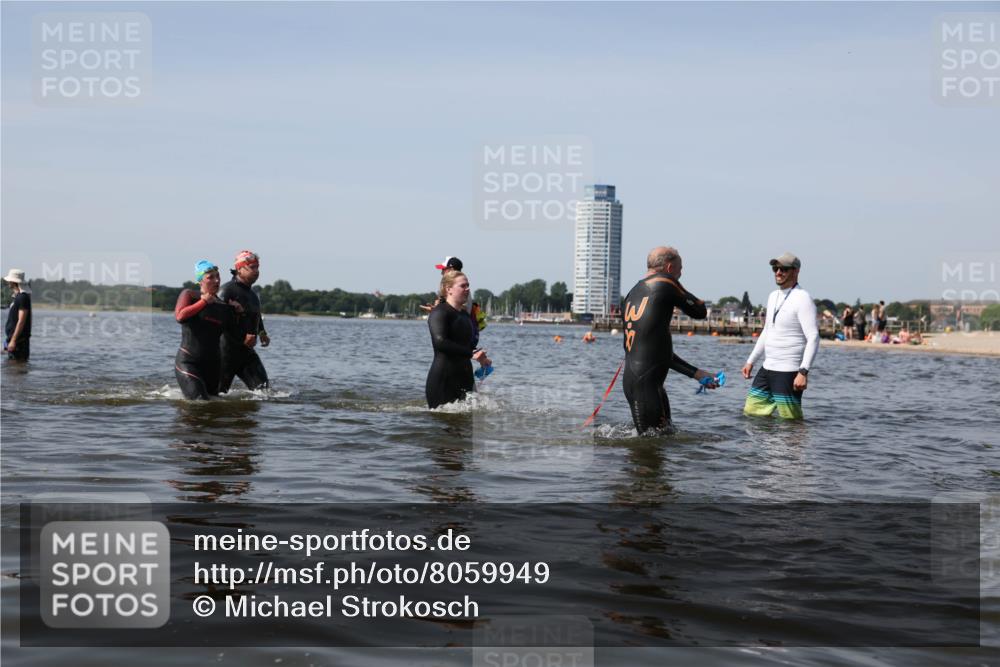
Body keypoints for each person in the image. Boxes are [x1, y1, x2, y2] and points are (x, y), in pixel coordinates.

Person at [621, 246, 718, 434]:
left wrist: (697, 373)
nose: (681, 274)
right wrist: (677, 289)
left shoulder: (632, 293)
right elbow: (700, 311)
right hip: (647, 384)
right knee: (653, 446)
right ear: (669, 267)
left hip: (638, 380)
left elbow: (656, 353)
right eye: (680, 269)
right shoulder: (665, 282)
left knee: (660, 440)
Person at [741, 252, 819, 420]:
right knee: (751, 414)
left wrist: (803, 372)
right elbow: (767, 331)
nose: (778, 272)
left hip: (788, 371)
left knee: (791, 421)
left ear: (796, 271)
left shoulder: (803, 298)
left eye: (783, 269)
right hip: (767, 368)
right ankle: (767, 439)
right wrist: (751, 361)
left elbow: (813, 337)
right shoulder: (773, 296)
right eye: (775, 268)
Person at [174, 261, 243, 400]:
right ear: (200, 281)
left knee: (214, 403)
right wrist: (203, 302)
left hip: (213, 366)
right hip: (189, 362)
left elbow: (236, 336)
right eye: (210, 277)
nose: (216, 280)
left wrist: (238, 313)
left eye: (218, 276)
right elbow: (180, 316)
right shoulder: (190, 295)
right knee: (200, 402)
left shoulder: (224, 306)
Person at [425, 270, 490, 409]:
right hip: (443, 380)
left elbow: (464, 345)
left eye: (468, 285)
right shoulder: (440, 312)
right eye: (463, 286)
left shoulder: (465, 315)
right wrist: (471, 354)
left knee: (469, 421)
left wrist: (480, 356)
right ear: (448, 289)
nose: (467, 289)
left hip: (465, 377)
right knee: (444, 421)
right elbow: (440, 342)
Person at [219, 250, 270, 392]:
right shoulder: (226, 291)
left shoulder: (253, 295)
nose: (256, 271)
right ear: (239, 269)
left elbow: (256, 315)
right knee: (217, 395)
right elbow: (216, 322)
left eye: (257, 267)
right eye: (252, 267)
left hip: (246, 353)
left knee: (263, 391)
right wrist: (242, 336)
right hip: (224, 353)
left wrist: (262, 332)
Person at [4, 269, 32, 362]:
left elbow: (21, 321)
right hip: (15, 341)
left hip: (19, 342)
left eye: (10, 280)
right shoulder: (18, 297)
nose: (8, 282)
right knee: (13, 368)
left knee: (17, 366)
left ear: (14, 282)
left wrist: (13, 341)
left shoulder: (22, 297)